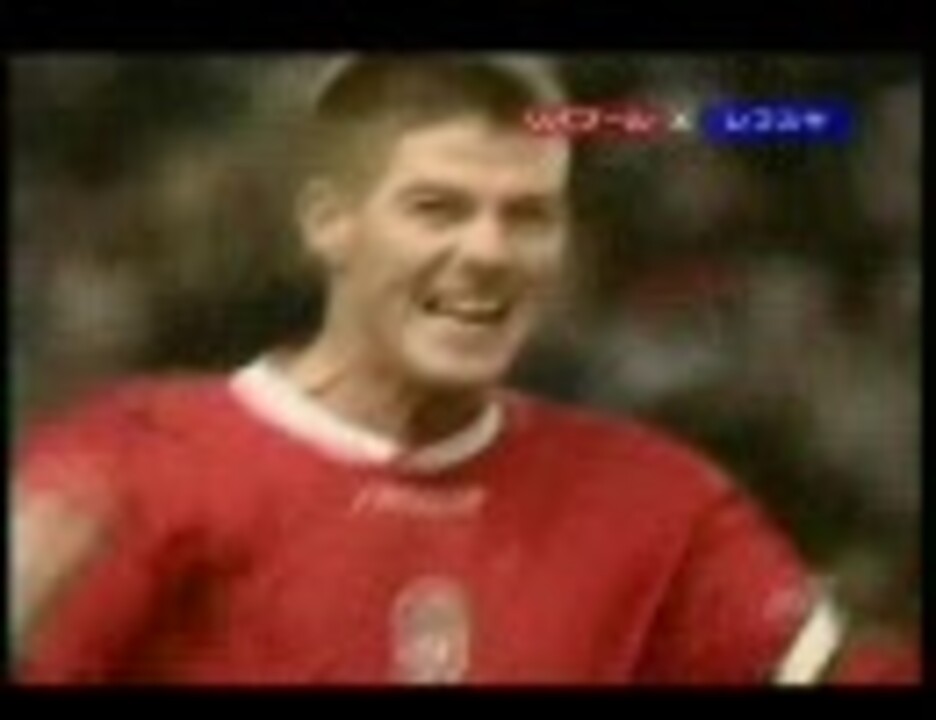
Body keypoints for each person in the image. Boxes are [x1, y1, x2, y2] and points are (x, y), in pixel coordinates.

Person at [10, 54, 919, 685]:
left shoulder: (657, 503)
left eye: (528, 215)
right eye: (437, 208)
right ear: (330, 223)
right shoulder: (141, 463)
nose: (488, 251)